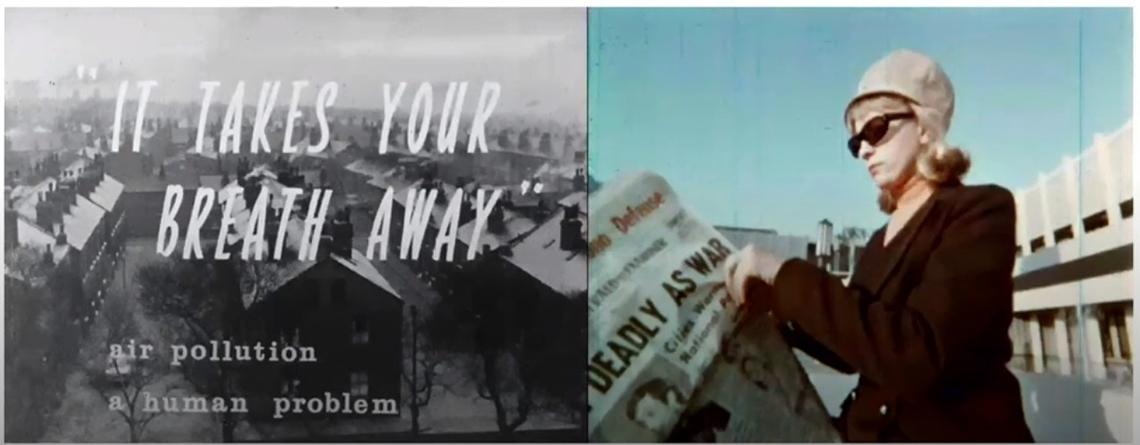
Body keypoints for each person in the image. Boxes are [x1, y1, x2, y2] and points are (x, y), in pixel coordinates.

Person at [723, 49, 1035, 442]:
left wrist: (783, 273)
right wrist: (774, 302)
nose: (864, 149)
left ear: (924, 126)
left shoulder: (980, 210)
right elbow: (850, 346)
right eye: (856, 142)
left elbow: (920, 355)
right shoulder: (878, 240)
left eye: (875, 129)